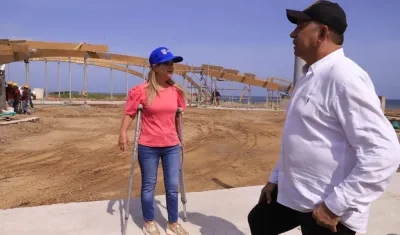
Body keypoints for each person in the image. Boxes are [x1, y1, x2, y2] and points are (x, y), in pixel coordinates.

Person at [247, 1, 400, 235]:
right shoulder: (309, 77)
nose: (292, 33)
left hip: (326, 209)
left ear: (322, 33)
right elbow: (300, 136)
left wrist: (334, 206)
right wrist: (275, 178)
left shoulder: (345, 78)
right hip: (298, 195)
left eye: (300, 26)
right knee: (260, 220)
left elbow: (384, 152)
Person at [118, 46, 189, 235]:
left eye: (172, 63)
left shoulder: (176, 91)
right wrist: (123, 132)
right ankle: (149, 221)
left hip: (171, 145)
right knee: (149, 185)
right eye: (167, 63)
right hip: (148, 146)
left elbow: (178, 117)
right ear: (155, 67)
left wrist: (180, 137)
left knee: (172, 185)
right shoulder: (140, 91)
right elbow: (130, 113)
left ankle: (173, 222)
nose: (171, 66)